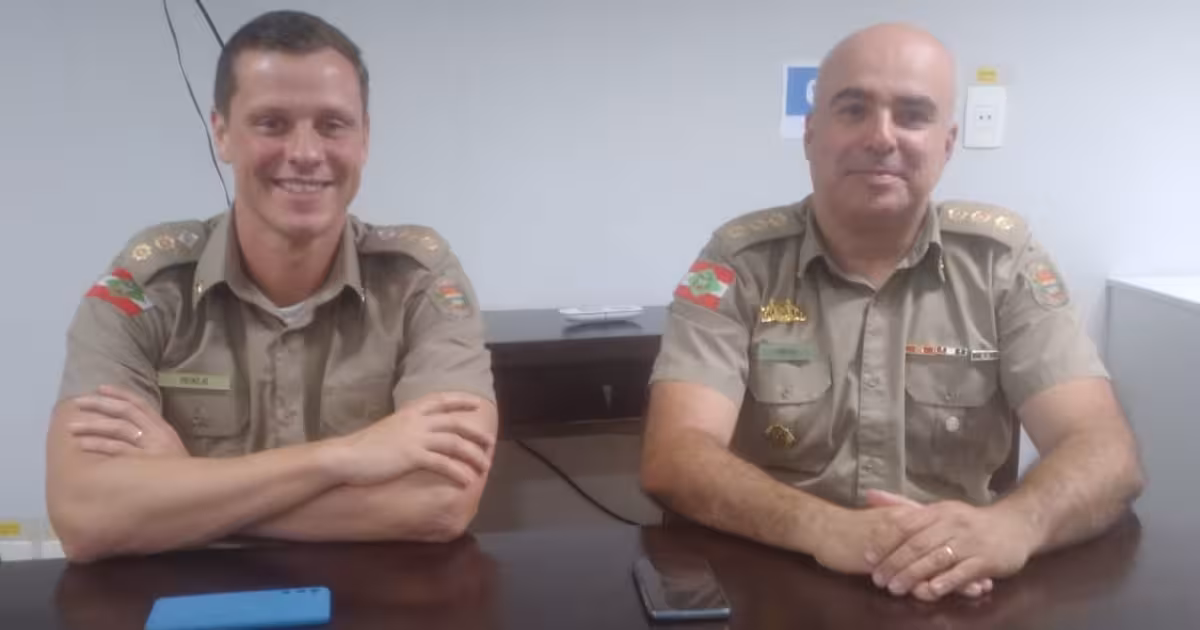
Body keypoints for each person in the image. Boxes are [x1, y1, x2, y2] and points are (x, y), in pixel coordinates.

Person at [640, 23, 1144, 602]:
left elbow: (1105, 450)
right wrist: (826, 529)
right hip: (776, 581)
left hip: (959, 583)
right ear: (810, 134)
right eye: (853, 110)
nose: (882, 137)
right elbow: (675, 455)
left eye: (912, 115)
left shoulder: (1001, 263)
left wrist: (1013, 527)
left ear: (947, 144)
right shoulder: (740, 263)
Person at [45, 10, 496, 563]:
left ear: (365, 138)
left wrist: (185, 488)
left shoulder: (418, 281)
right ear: (221, 133)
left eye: (333, 124)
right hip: (191, 598)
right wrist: (345, 457)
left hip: (371, 598)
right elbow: (85, 514)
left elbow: (441, 502)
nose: (305, 152)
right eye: (272, 123)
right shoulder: (148, 288)